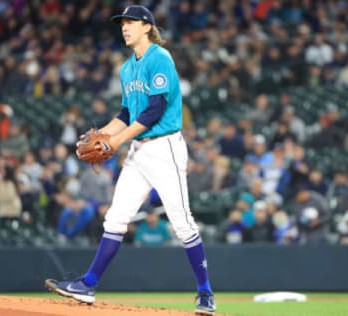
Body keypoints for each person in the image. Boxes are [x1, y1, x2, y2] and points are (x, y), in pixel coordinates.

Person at [45, 5, 216, 315]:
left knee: (182, 222)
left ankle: (205, 293)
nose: (125, 27)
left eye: (131, 22)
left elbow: (154, 110)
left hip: (165, 148)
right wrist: (97, 136)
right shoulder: (127, 68)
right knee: (116, 217)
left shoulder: (160, 58)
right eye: (122, 23)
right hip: (139, 151)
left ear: (147, 27)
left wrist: (115, 142)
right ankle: (88, 284)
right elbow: (126, 114)